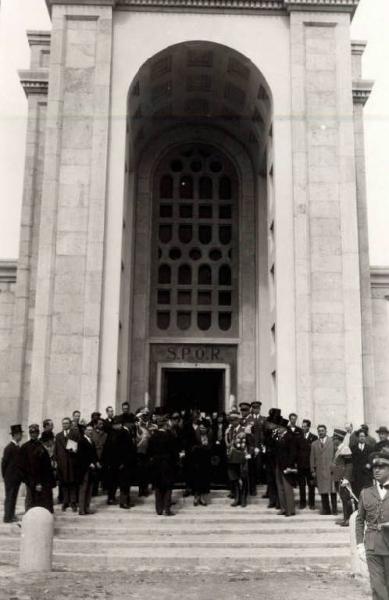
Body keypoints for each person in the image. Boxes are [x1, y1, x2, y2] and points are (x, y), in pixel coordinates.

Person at [355, 448, 389, 600]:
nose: (377, 470)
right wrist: (359, 545)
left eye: (381, 467)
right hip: (372, 545)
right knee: (377, 584)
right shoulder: (366, 492)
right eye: (375, 467)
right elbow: (360, 520)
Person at [18, 424, 55, 513]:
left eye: (35, 432)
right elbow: (22, 466)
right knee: (30, 502)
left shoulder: (42, 446)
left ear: (38, 433)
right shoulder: (24, 447)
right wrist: (32, 482)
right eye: (32, 432)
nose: (33, 434)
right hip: (31, 480)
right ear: (29, 434)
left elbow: (45, 467)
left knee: (43, 503)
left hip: (43, 481)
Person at [148, 415, 178, 516]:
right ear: (165, 424)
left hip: (156, 465)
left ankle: (159, 509)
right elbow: (174, 452)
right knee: (168, 487)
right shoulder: (170, 436)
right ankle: (167, 509)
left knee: (158, 487)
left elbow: (149, 452)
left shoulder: (153, 436)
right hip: (168, 464)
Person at [310, 424, 336, 515]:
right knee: (323, 491)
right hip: (320, 470)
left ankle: (335, 510)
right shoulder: (314, 444)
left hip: (330, 470)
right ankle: (326, 510)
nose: (321, 432)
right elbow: (312, 458)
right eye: (319, 431)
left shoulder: (332, 442)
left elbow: (336, 456)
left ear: (326, 431)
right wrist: (313, 470)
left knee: (333, 491)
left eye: (322, 430)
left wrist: (334, 465)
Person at [330, 428, 354, 527]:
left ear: (338, 439)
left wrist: (346, 478)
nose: (332, 440)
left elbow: (349, 465)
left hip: (343, 479)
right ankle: (345, 518)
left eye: (334, 438)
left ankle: (349, 519)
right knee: (344, 499)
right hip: (338, 478)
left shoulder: (345, 448)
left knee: (346, 499)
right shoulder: (338, 448)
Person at [275, 416, 298, 517]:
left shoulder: (290, 437)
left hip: (286, 467)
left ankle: (290, 510)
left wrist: (289, 466)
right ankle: (283, 508)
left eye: (279, 427)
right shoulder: (279, 437)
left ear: (284, 427)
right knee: (280, 488)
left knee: (287, 488)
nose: (277, 429)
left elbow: (293, 453)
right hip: (279, 465)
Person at [54, 417, 78, 512]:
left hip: (72, 462)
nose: (65, 425)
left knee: (72, 483)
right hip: (62, 463)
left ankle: (73, 502)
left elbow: (77, 448)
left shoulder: (74, 434)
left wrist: (74, 450)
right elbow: (56, 449)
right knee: (63, 483)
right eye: (63, 423)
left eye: (67, 423)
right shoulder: (58, 435)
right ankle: (65, 501)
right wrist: (56, 461)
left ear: (70, 424)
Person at [1, 424, 23, 523]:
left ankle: (11, 515)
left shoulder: (17, 447)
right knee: (10, 497)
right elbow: (4, 463)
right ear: (14, 435)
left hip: (16, 478)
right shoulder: (9, 448)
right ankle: (7, 517)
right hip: (10, 478)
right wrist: (5, 476)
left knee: (13, 497)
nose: (21, 436)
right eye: (19, 434)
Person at [77, 424, 99, 515]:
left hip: (91, 469)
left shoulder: (92, 441)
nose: (90, 432)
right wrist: (89, 464)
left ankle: (87, 507)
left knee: (89, 489)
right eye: (88, 430)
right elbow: (81, 456)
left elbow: (94, 455)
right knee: (83, 489)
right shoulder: (81, 441)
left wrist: (96, 462)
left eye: (91, 430)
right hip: (84, 469)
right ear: (85, 431)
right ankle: (81, 509)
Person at [191, 419, 213, 506]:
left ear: (207, 428)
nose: (202, 429)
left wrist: (208, 447)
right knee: (196, 478)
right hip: (197, 459)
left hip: (206, 459)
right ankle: (196, 497)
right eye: (201, 428)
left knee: (205, 478)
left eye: (204, 428)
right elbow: (191, 446)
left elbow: (212, 445)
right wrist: (199, 447)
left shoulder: (210, 434)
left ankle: (203, 497)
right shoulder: (195, 434)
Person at [297, 419, 317, 510]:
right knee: (301, 485)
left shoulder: (314, 437)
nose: (303, 428)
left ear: (309, 427)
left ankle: (312, 503)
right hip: (301, 465)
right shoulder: (298, 437)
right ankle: (302, 503)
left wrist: (314, 466)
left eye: (305, 426)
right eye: (302, 426)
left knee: (311, 485)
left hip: (310, 466)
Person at [227, 431, 250, 508]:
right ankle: (237, 499)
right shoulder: (233, 441)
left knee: (243, 481)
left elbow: (250, 448)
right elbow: (229, 449)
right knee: (236, 481)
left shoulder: (248, 440)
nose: (240, 438)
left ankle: (243, 499)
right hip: (234, 463)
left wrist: (247, 453)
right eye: (238, 437)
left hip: (243, 463)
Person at [351, 428, 374, 498]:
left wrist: (370, 464)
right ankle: (357, 508)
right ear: (358, 437)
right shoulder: (353, 448)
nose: (362, 438)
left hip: (366, 475)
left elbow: (373, 460)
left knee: (367, 494)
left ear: (365, 437)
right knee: (357, 494)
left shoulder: (370, 448)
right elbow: (351, 461)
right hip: (356, 476)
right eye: (360, 436)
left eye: (363, 436)